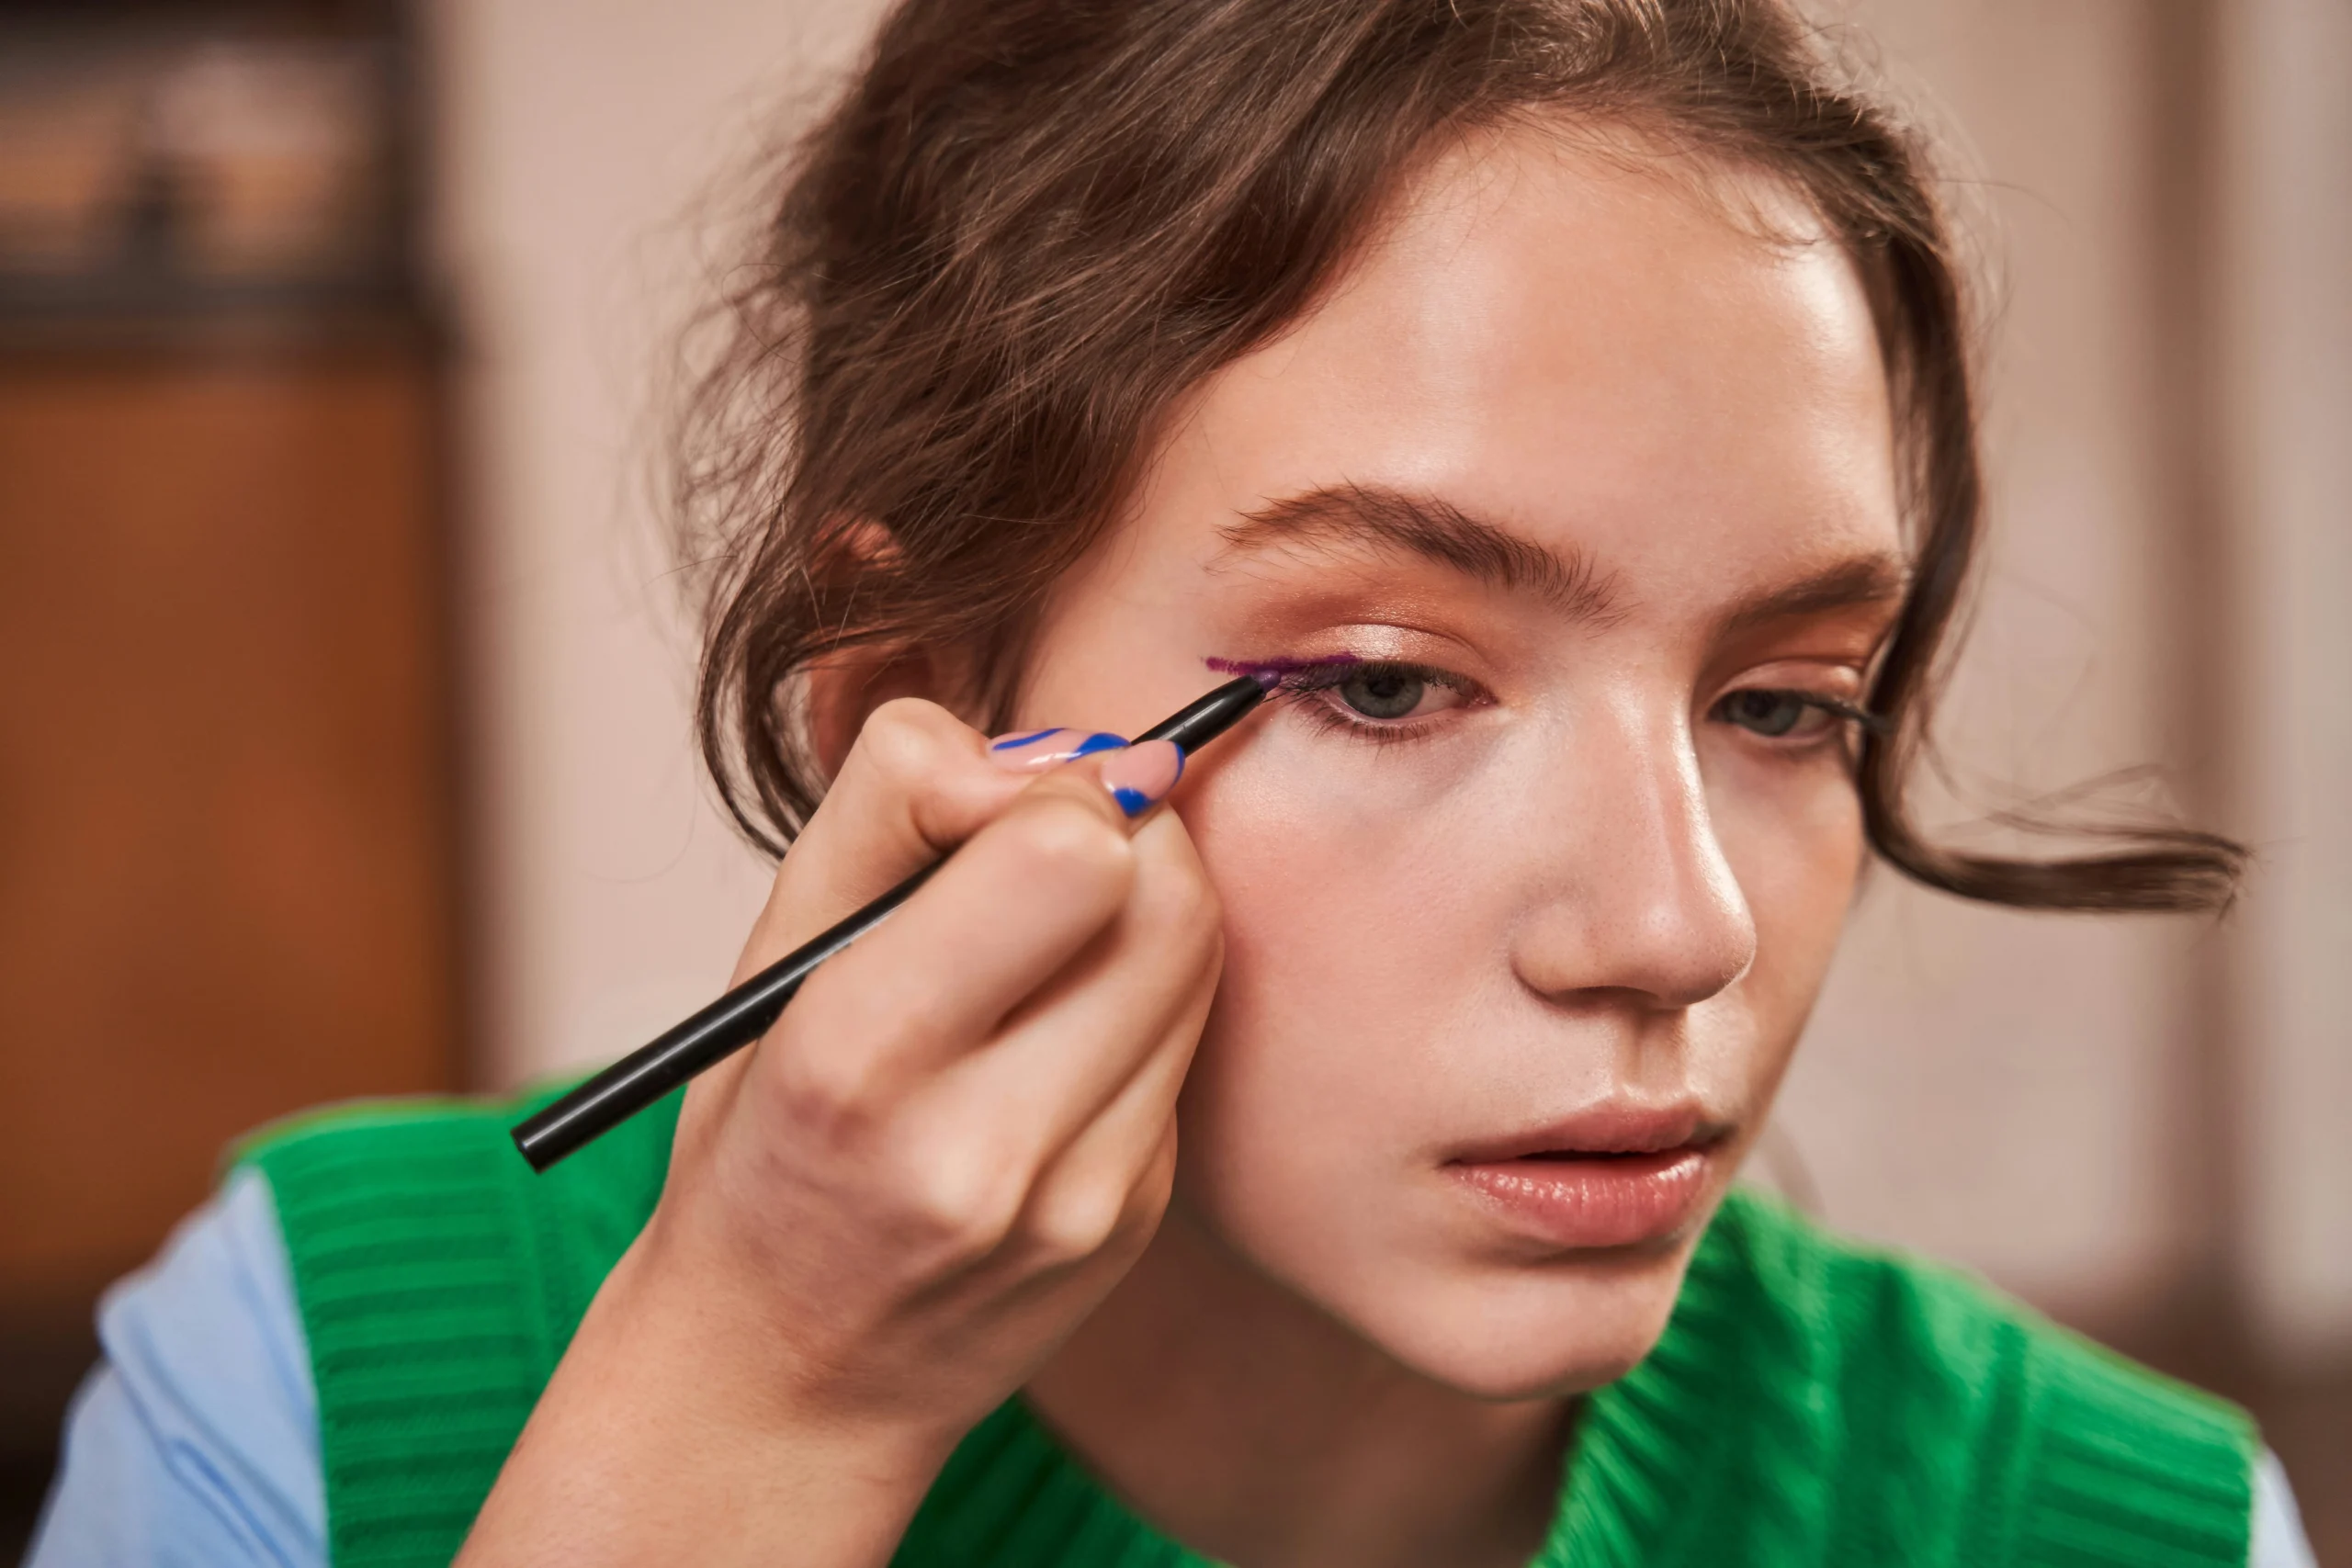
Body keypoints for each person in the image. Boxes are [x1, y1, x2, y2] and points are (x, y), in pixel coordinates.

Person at [28, 1, 2319, 1563]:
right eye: (1391, 685)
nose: (1674, 925)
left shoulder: (2114, 1524)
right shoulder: (322, 1377)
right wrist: (758, 1400)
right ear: (911, 708)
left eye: (1785, 703)